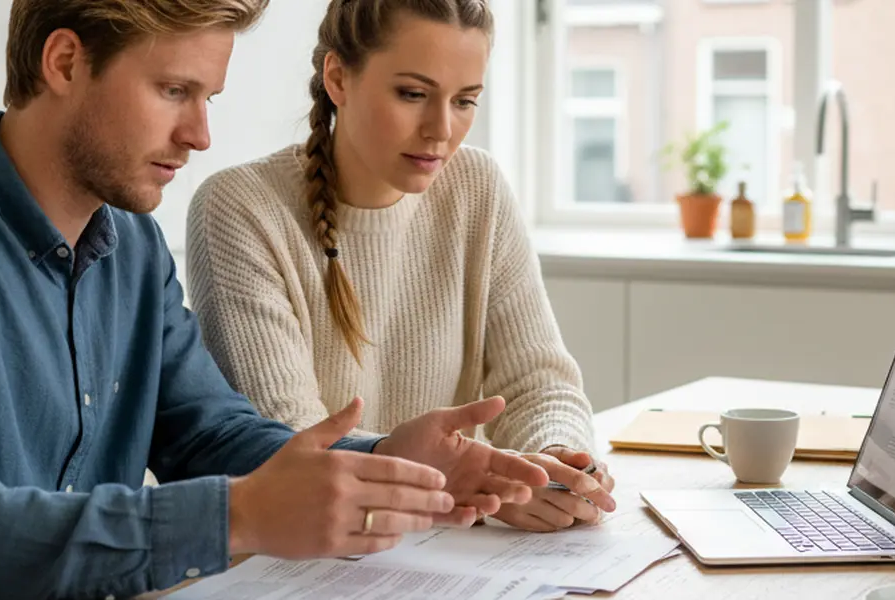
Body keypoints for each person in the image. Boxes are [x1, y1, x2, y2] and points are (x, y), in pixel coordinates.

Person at [0, 1, 552, 598]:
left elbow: (209, 434)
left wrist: (384, 463)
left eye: (208, 98)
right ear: (64, 62)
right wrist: (237, 515)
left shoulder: (130, 245)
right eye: (174, 90)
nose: (200, 135)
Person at [185, 0, 616, 534]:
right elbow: (288, 444)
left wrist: (552, 463)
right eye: (413, 94)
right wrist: (461, 480)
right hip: (309, 556)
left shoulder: (477, 186)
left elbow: (540, 384)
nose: (441, 129)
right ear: (338, 78)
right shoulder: (239, 207)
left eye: (465, 101)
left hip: (454, 550)